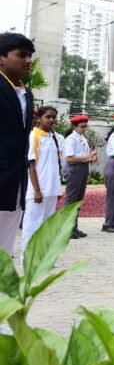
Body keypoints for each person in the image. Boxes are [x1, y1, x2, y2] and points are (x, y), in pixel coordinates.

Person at [0, 33, 33, 259]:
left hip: (16, 182)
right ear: (1, 58)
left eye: (30, 56)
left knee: (5, 249)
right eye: (21, 55)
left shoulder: (26, 94)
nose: (28, 60)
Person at [22, 105, 64, 254]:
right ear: (39, 118)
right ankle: (27, 258)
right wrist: (37, 190)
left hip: (52, 190)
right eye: (48, 117)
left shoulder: (54, 137)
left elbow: (56, 165)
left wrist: (57, 189)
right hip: (38, 190)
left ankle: (41, 259)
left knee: (47, 226)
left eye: (54, 117)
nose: (51, 120)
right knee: (32, 225)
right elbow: (31, 164)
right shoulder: (34, 135)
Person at [65, 114, 97, 239]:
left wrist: (92, 157)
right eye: (82, 126)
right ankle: (67, 229)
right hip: (74, 169)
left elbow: (86, 155)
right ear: (74, 126)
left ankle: (74, 227)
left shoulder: (82, 138)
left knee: (78, 200)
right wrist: (88, 156)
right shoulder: (71, 139)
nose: (84, 129)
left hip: (83, 168)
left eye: (85, 127)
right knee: (71, 200)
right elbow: (69, 158)